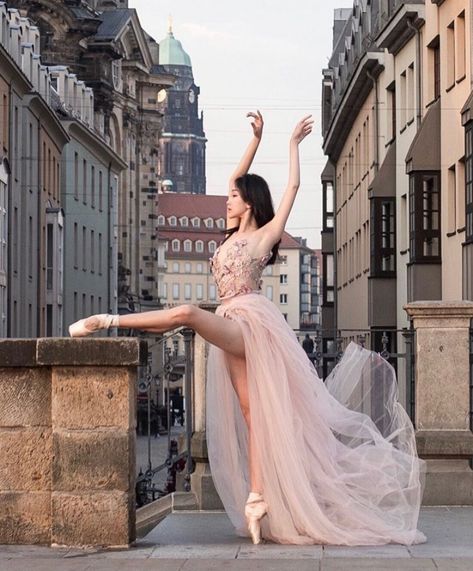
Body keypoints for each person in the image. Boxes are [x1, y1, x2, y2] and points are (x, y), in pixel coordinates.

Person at [68, 111, 426, 547]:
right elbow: (238, 174)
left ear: (250, 203)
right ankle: (258, 498)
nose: (227, 199)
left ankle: (108, 320)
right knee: (252, 413)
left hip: (251, 322)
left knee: (186, 314)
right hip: (233, 320)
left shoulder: (262, 238)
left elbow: (291, 189)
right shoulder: (228, 233)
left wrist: (292, 145)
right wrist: (256, 139)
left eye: (234, 197)